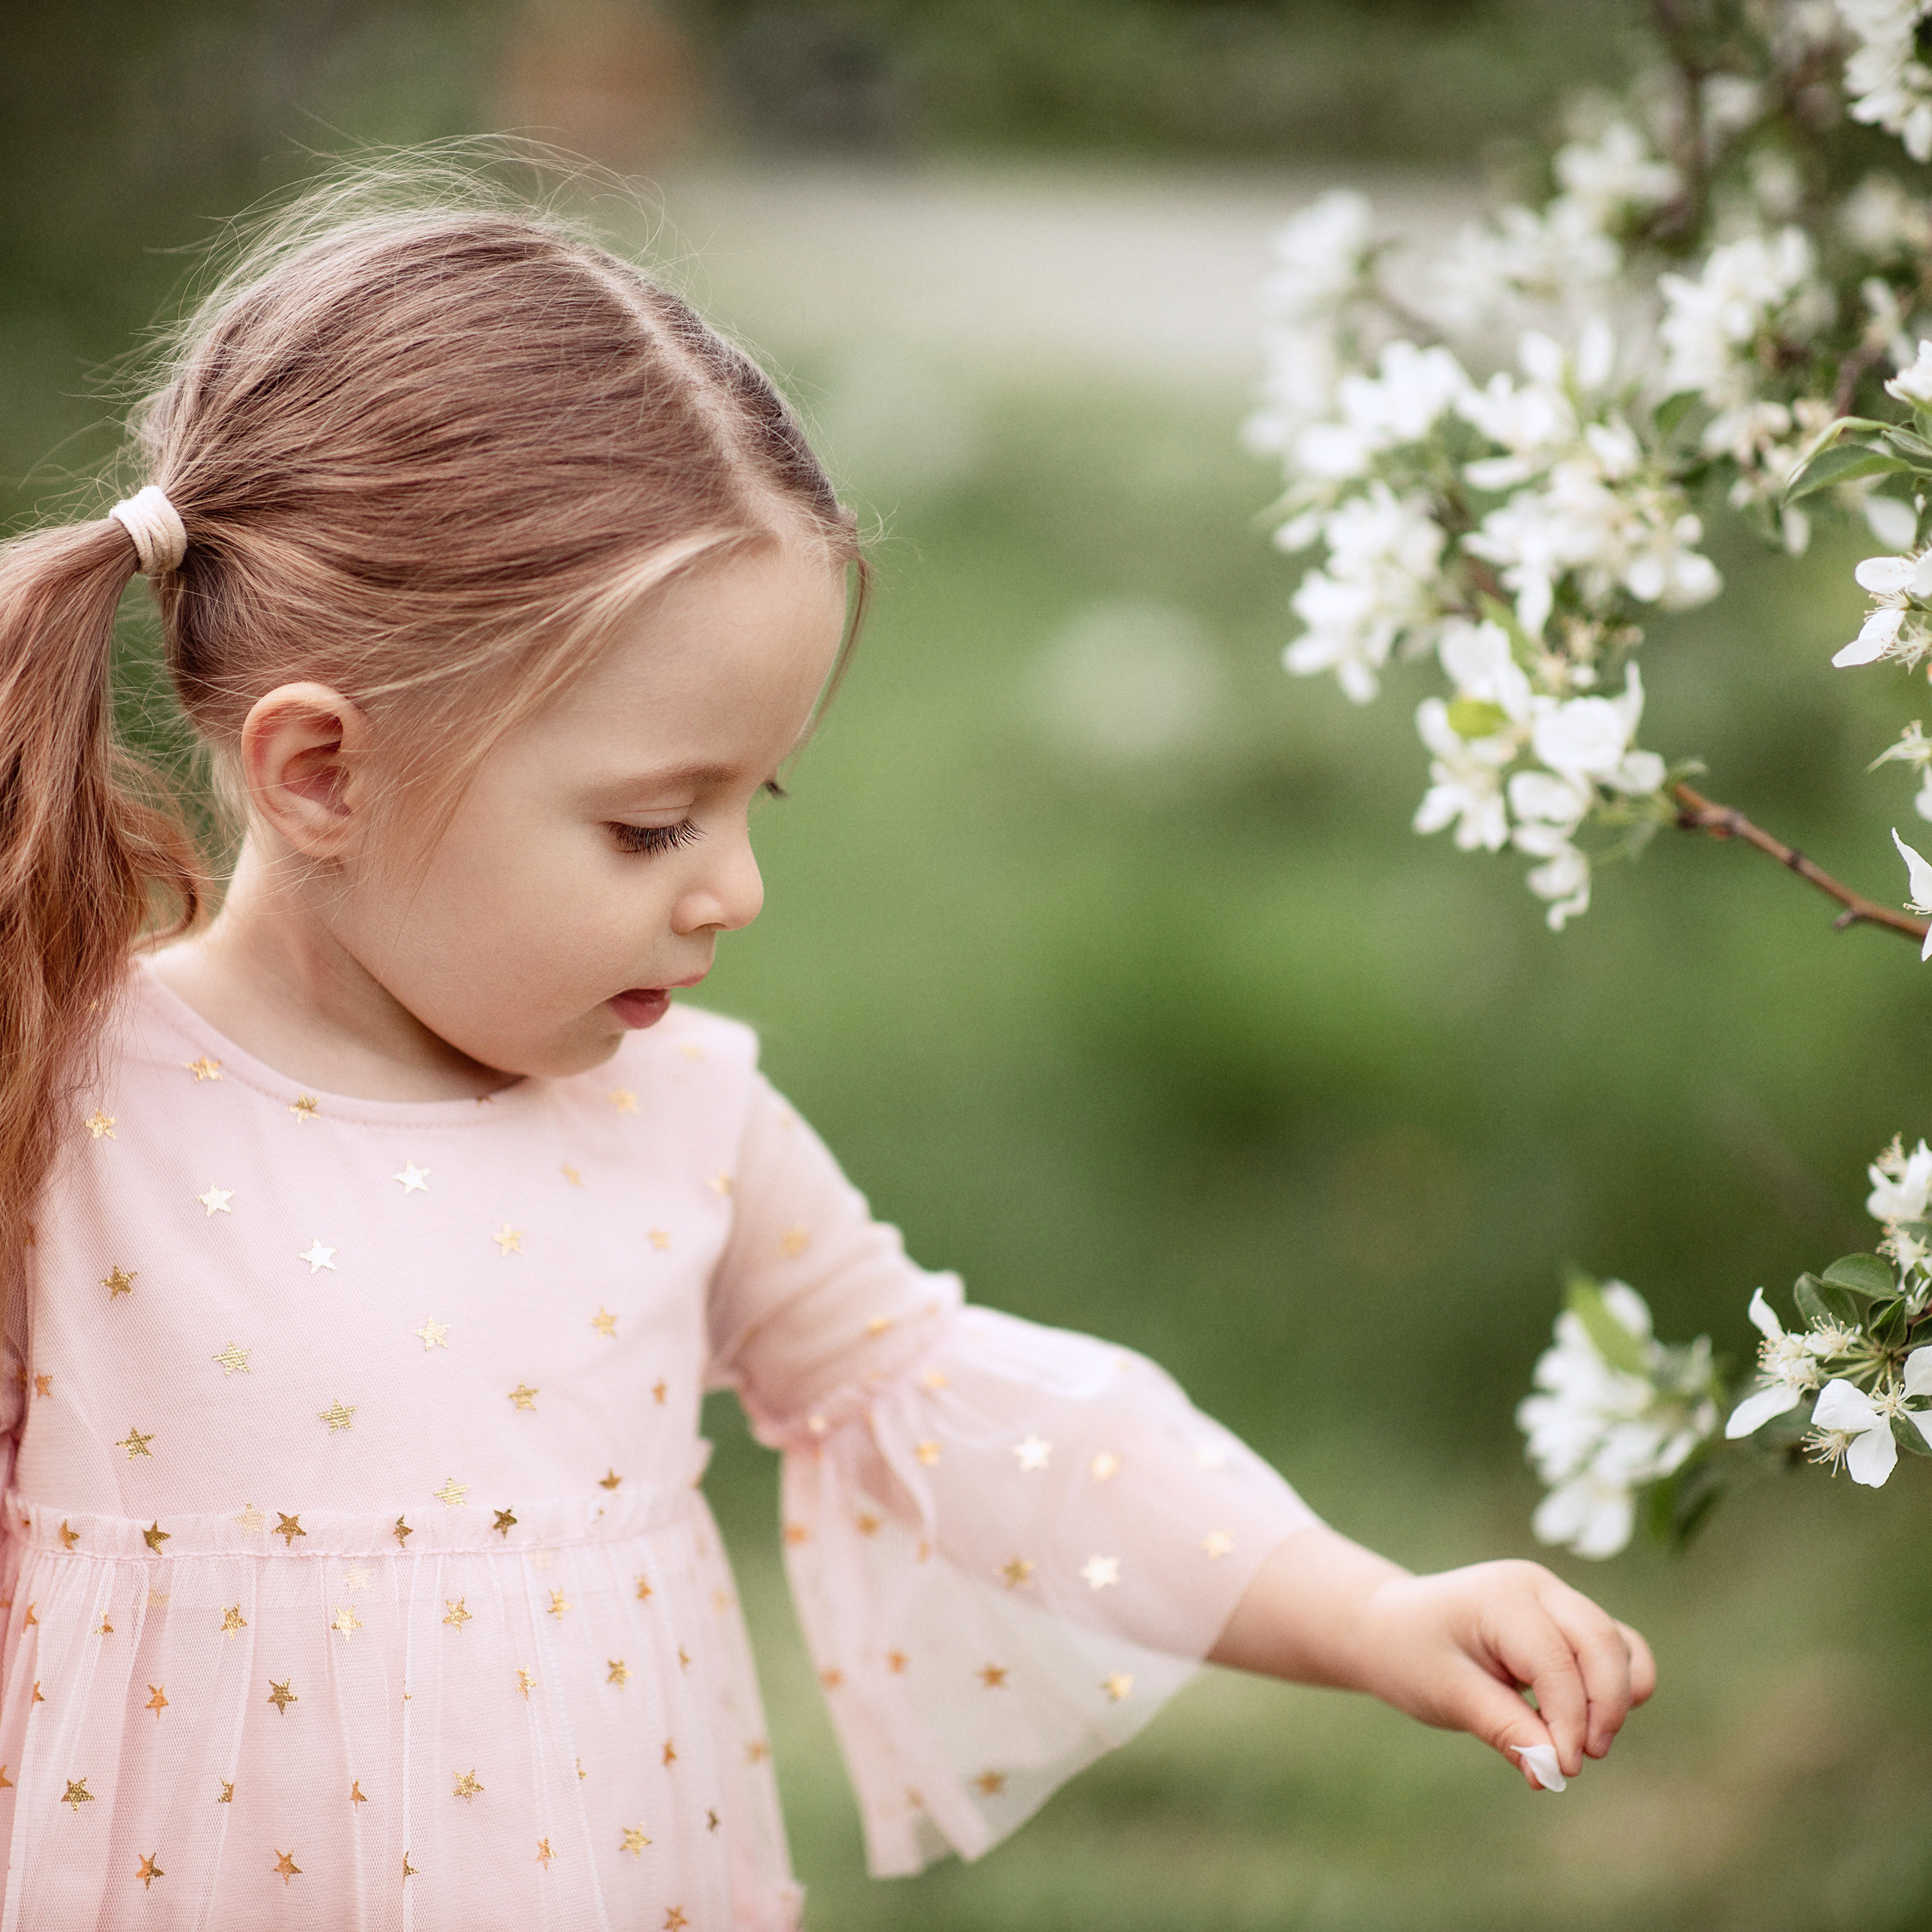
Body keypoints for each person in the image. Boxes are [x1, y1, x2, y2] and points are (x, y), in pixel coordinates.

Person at [0, 170, 1653, 1930]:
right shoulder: (66, 1107)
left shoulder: (677, 1124)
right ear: (320, 770)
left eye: (750, 798)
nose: (737, 888)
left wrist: (1361, 1606)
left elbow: (956, 1411)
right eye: (651, 825)